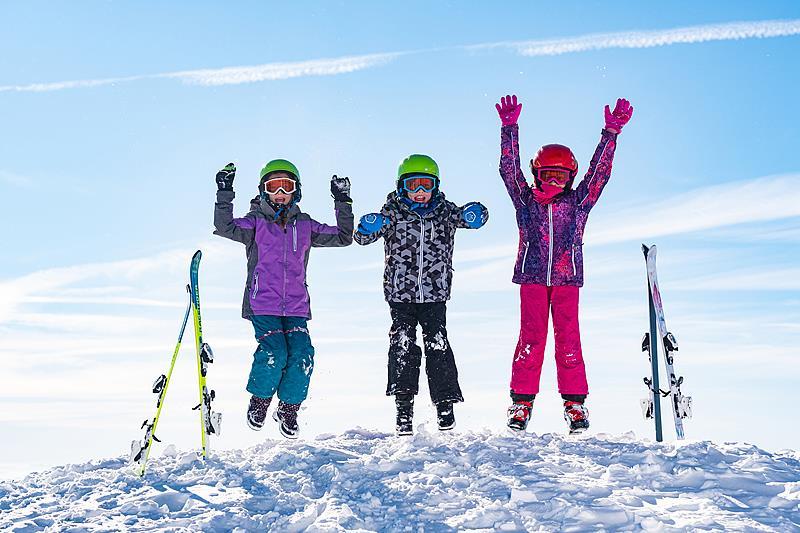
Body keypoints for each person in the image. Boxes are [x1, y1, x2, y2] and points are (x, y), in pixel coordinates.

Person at [495, 94, 633, 434]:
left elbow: (599, 174)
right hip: (532, 278)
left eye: (561, 175)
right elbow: (508, 171)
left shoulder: (578, 202)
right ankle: (521, 403)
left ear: (570, 177)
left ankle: (574, 404)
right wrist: (509, 129)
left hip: (566, 279)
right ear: (537, 174)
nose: (555, 181)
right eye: (548, 175)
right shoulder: (525, 200)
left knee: (569, 340)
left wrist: (611, 134)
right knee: (531, 339)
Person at [213, 160, 354, 438]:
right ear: (263, 190)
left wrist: (342, 201)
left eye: (286, 186)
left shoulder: (305, 225)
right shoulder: (255, 223)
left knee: (302, 355)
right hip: (263, 303)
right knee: (274, 352)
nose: (280, 193)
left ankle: (288, 409)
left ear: (296, 191)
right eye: (273, 186)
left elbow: (343, 236)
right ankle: (260, 401)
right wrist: (224, 192)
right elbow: (225, 226)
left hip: (296, 306)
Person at [354, 154, 488, 435]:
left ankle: (445, 405)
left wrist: (475, 214)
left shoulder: (445, 212)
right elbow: (362, 238)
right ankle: (404, 407)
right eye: (413, 185)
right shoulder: (392, 213)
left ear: (435, 186)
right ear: (401, 186)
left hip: (435, 292)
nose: (420, 191)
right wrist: (367, 227)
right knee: (403, 343)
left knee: (437, 343)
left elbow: (471, 218)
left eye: (426, 185)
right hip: (400, 294)